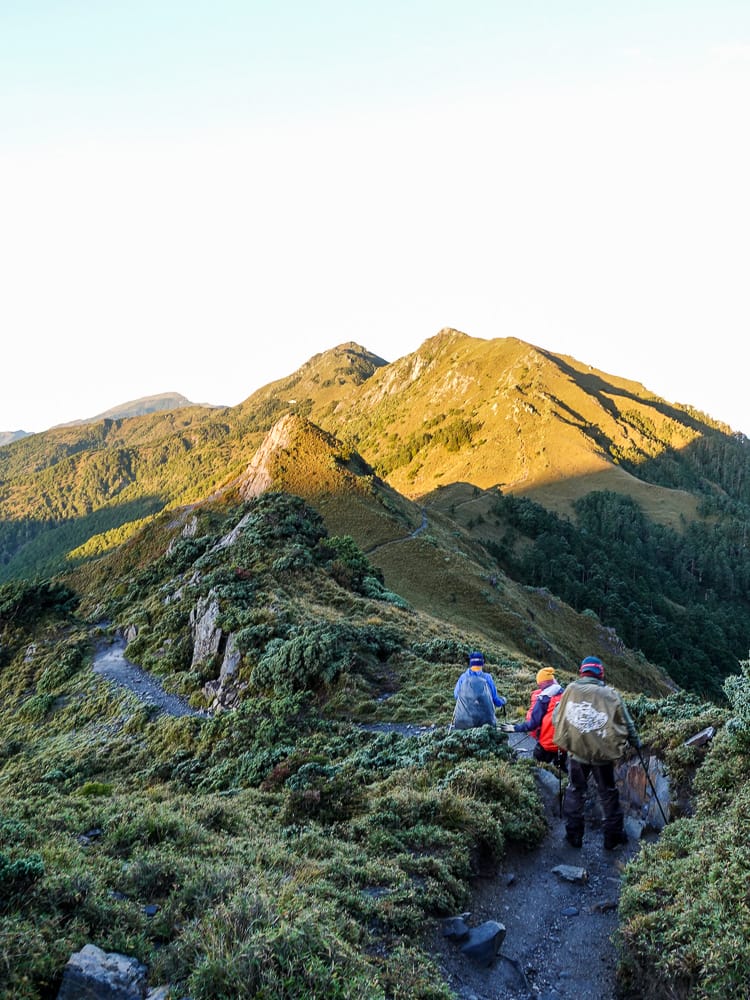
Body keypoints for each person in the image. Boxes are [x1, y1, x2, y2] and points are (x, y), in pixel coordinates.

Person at [552, 655, 640, 851]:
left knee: (575, 791)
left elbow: (556, 717)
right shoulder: (610, 694)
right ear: (600, 673)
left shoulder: (571, 690)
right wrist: (636, 743)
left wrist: (571, 736)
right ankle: (612, 838)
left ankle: (574, 836)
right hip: (602, 756)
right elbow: (627, 723)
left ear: (582, 672)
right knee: (608, 793)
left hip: (576, 754)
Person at [500, 667, 566, 765]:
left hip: (548, 743)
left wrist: (514, 728)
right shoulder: (566, 694)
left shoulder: (543, 698)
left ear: (542, 683)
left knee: (537, 760)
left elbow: (532, 724)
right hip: (565, 743)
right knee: (561, 766)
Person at [452, 651, 506, 729]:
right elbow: (495, 700)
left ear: (470, 663)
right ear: (482, 663)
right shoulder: (487, 677)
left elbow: (456, 695)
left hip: (464, 721)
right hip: (486, 722)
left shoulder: (463, 677)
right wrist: (503, 701)